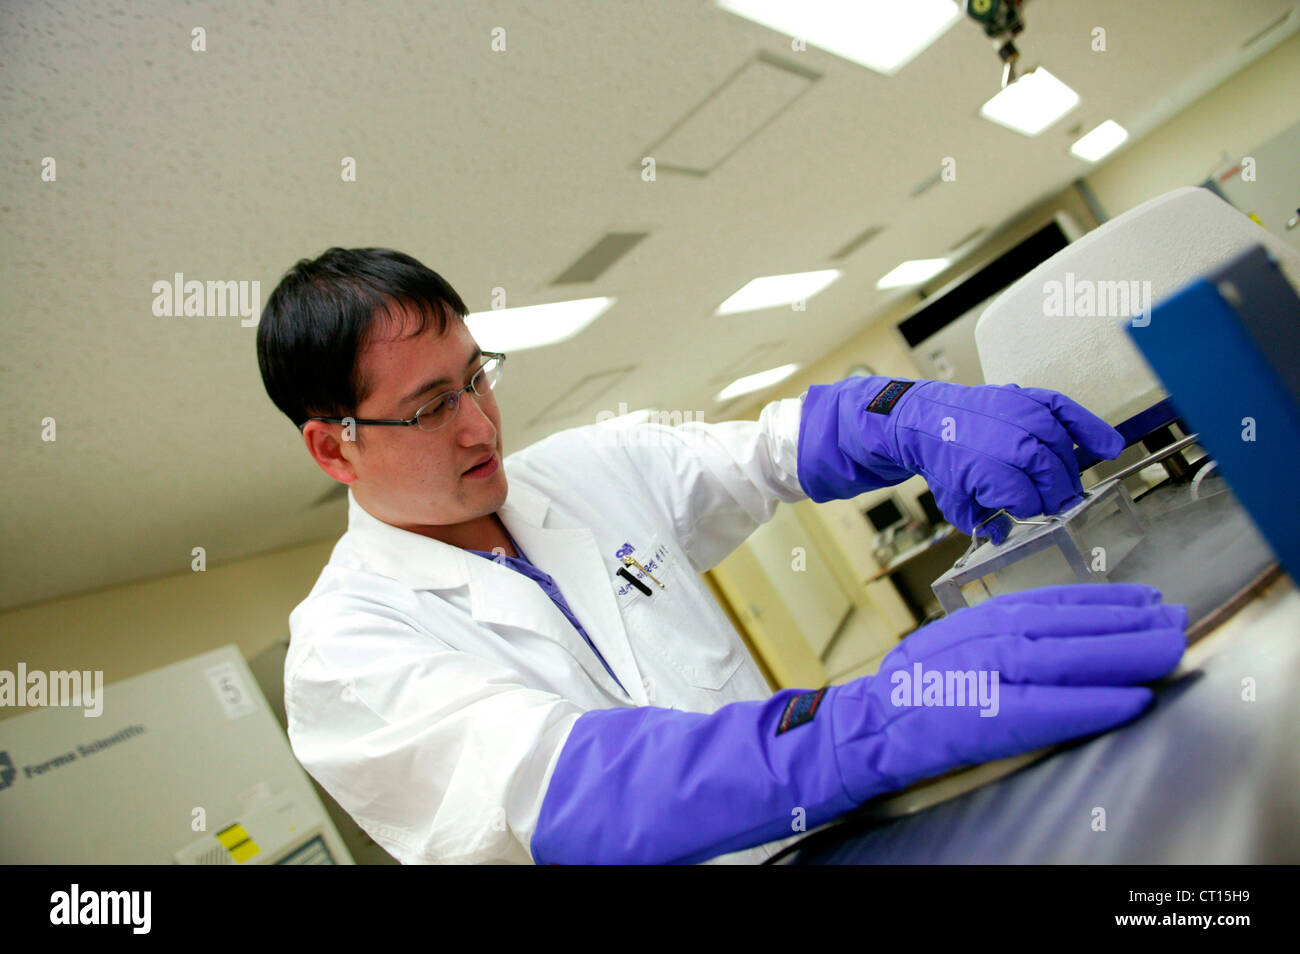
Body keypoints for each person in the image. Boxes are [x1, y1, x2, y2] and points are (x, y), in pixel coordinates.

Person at [256, 247, 1187, 865]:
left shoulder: (581, 471)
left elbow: (771, 449)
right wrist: (865, 722)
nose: (479, 423)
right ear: (334, 446)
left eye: (477, 376)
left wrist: (912, 414)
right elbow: (572, 784)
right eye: (430, 407)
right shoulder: (346, 650)